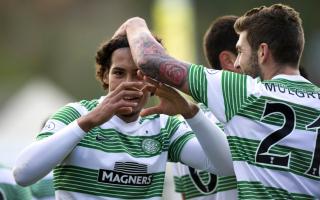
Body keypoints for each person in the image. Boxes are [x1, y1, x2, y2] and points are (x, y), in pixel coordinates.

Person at [112, 3, 320, 199]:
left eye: (240, 51)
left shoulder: (244, 93)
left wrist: (135, 24)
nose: (237, 63)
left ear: (263, 52)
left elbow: (150, 60)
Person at [13, 35, 233, 199]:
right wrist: (89, 122)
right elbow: (23, 174)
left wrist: (189, 111)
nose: (129, 82)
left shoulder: (164, 126)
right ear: (105, 77)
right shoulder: (76, 115)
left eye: (139, 74)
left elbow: (226, 167)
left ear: (153, 80)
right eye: (119, 73)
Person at [172, 15, 239, 200]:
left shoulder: (183, 126)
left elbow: (185, 195)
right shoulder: (244, 117)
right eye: (248, 51)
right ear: (229, 60)